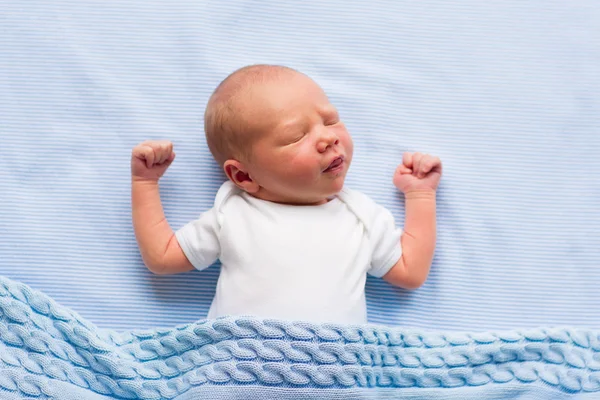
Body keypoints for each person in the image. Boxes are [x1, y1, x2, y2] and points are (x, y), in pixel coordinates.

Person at [131, 65, 442, 324]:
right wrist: (146, 183)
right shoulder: (234, 215)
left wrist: (420, 196)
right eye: (297, 135)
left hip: (333, 377)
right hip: (238, 367)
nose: (328, 137)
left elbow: (410, 272)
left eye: (330, 120)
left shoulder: (360, 216)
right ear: (243, 176)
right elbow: (162, 257)